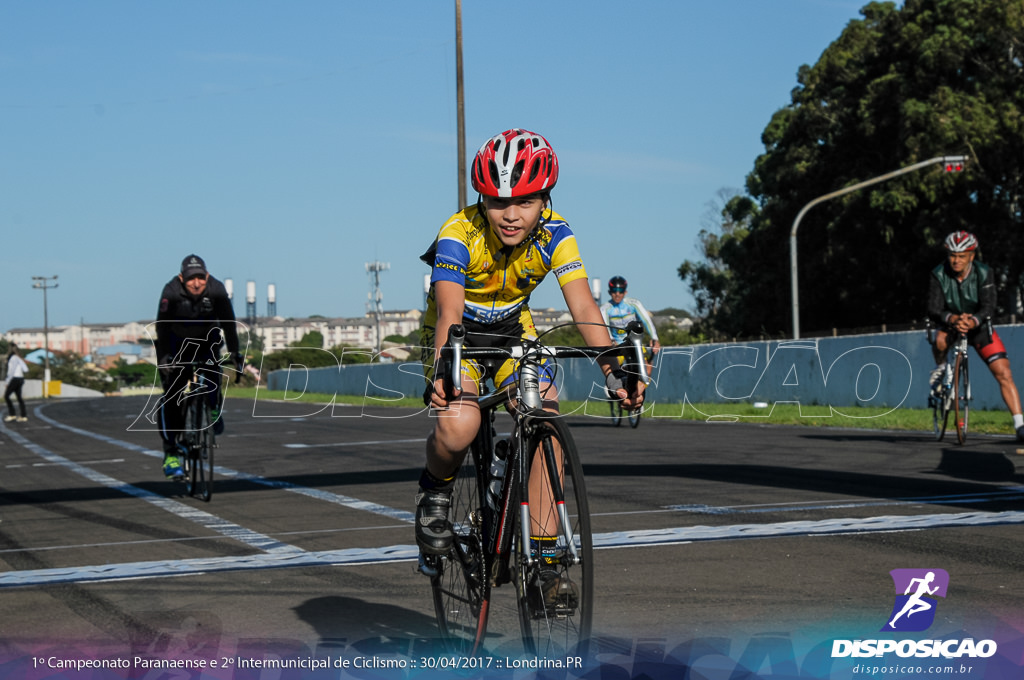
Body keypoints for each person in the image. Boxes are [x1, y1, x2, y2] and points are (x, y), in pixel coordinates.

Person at [415, 128, 644, 611]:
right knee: (460, 425)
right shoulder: (458, 234)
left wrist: (614, 370)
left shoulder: (557, 233)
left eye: (526, 201)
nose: (511, 214)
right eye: (498, 202)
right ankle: (434, 492)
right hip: (460, 338)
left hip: (513, 335)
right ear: (481, 198)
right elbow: (449, 314)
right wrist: (444, 369)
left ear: (546, 198)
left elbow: (583, 305)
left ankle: (543, 566)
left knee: (544, 418)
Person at [927, 231, 1024, 442]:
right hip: (951, 324)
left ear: (972, 255)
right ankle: (941, 370)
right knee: (940, 339)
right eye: (953, 255)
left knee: (1004, 372)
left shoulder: (984, 272)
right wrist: (953, 319)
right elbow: (933, 308)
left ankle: (1020, 425)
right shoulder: (938, 273)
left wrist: (972, 321)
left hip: (978, 326)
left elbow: (990, 305)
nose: (956, 260)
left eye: (962, 256)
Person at [153, 254, 242, 479]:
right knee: (172, 395)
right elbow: (161, 328)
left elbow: (229, 324)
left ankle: (213, 409)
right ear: (182, 278)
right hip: (175, 343)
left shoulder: (217, 290)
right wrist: (164, 358)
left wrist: (235, 354)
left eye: (201, 278)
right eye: (191, 279)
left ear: (207, 276)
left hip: (206, 341)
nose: (196, 283)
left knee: (213, 378)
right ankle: (171, 453)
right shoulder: (171, 291)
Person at [600, 276, 661, 375]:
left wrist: (654, 338)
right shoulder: (605, 309)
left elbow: (646, 320)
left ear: (625, 292)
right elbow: (605, 327)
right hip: (617, 344)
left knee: (647, 370)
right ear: (609, 292)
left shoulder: (633, 304)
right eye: (614, 291)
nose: (617, 294)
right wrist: (611, 340)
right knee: (613, 370)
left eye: (621, 291)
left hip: (634, 343)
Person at [3, 344, 29, 423]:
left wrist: (7, 381)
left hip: (14, 379)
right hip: (21, 379)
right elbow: (26, 369)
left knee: (6, 396)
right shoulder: (19, 358)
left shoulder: (13, 358)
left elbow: (12, 371)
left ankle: (12, 415)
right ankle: (23, 416)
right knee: (19, 398)